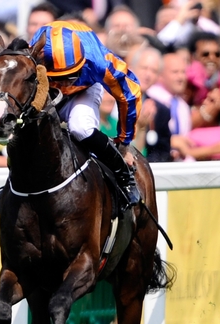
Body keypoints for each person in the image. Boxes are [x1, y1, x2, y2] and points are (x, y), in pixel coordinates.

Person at [29, 20, 141, 206]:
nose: (65, 84)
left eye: (71, 76)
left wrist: (124, 144)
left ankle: (123, 175)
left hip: (86, 87)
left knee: (81, 127)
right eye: (60, 78)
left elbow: (130, 94)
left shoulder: (100, 62)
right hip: (46, 87)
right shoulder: (32, 56)